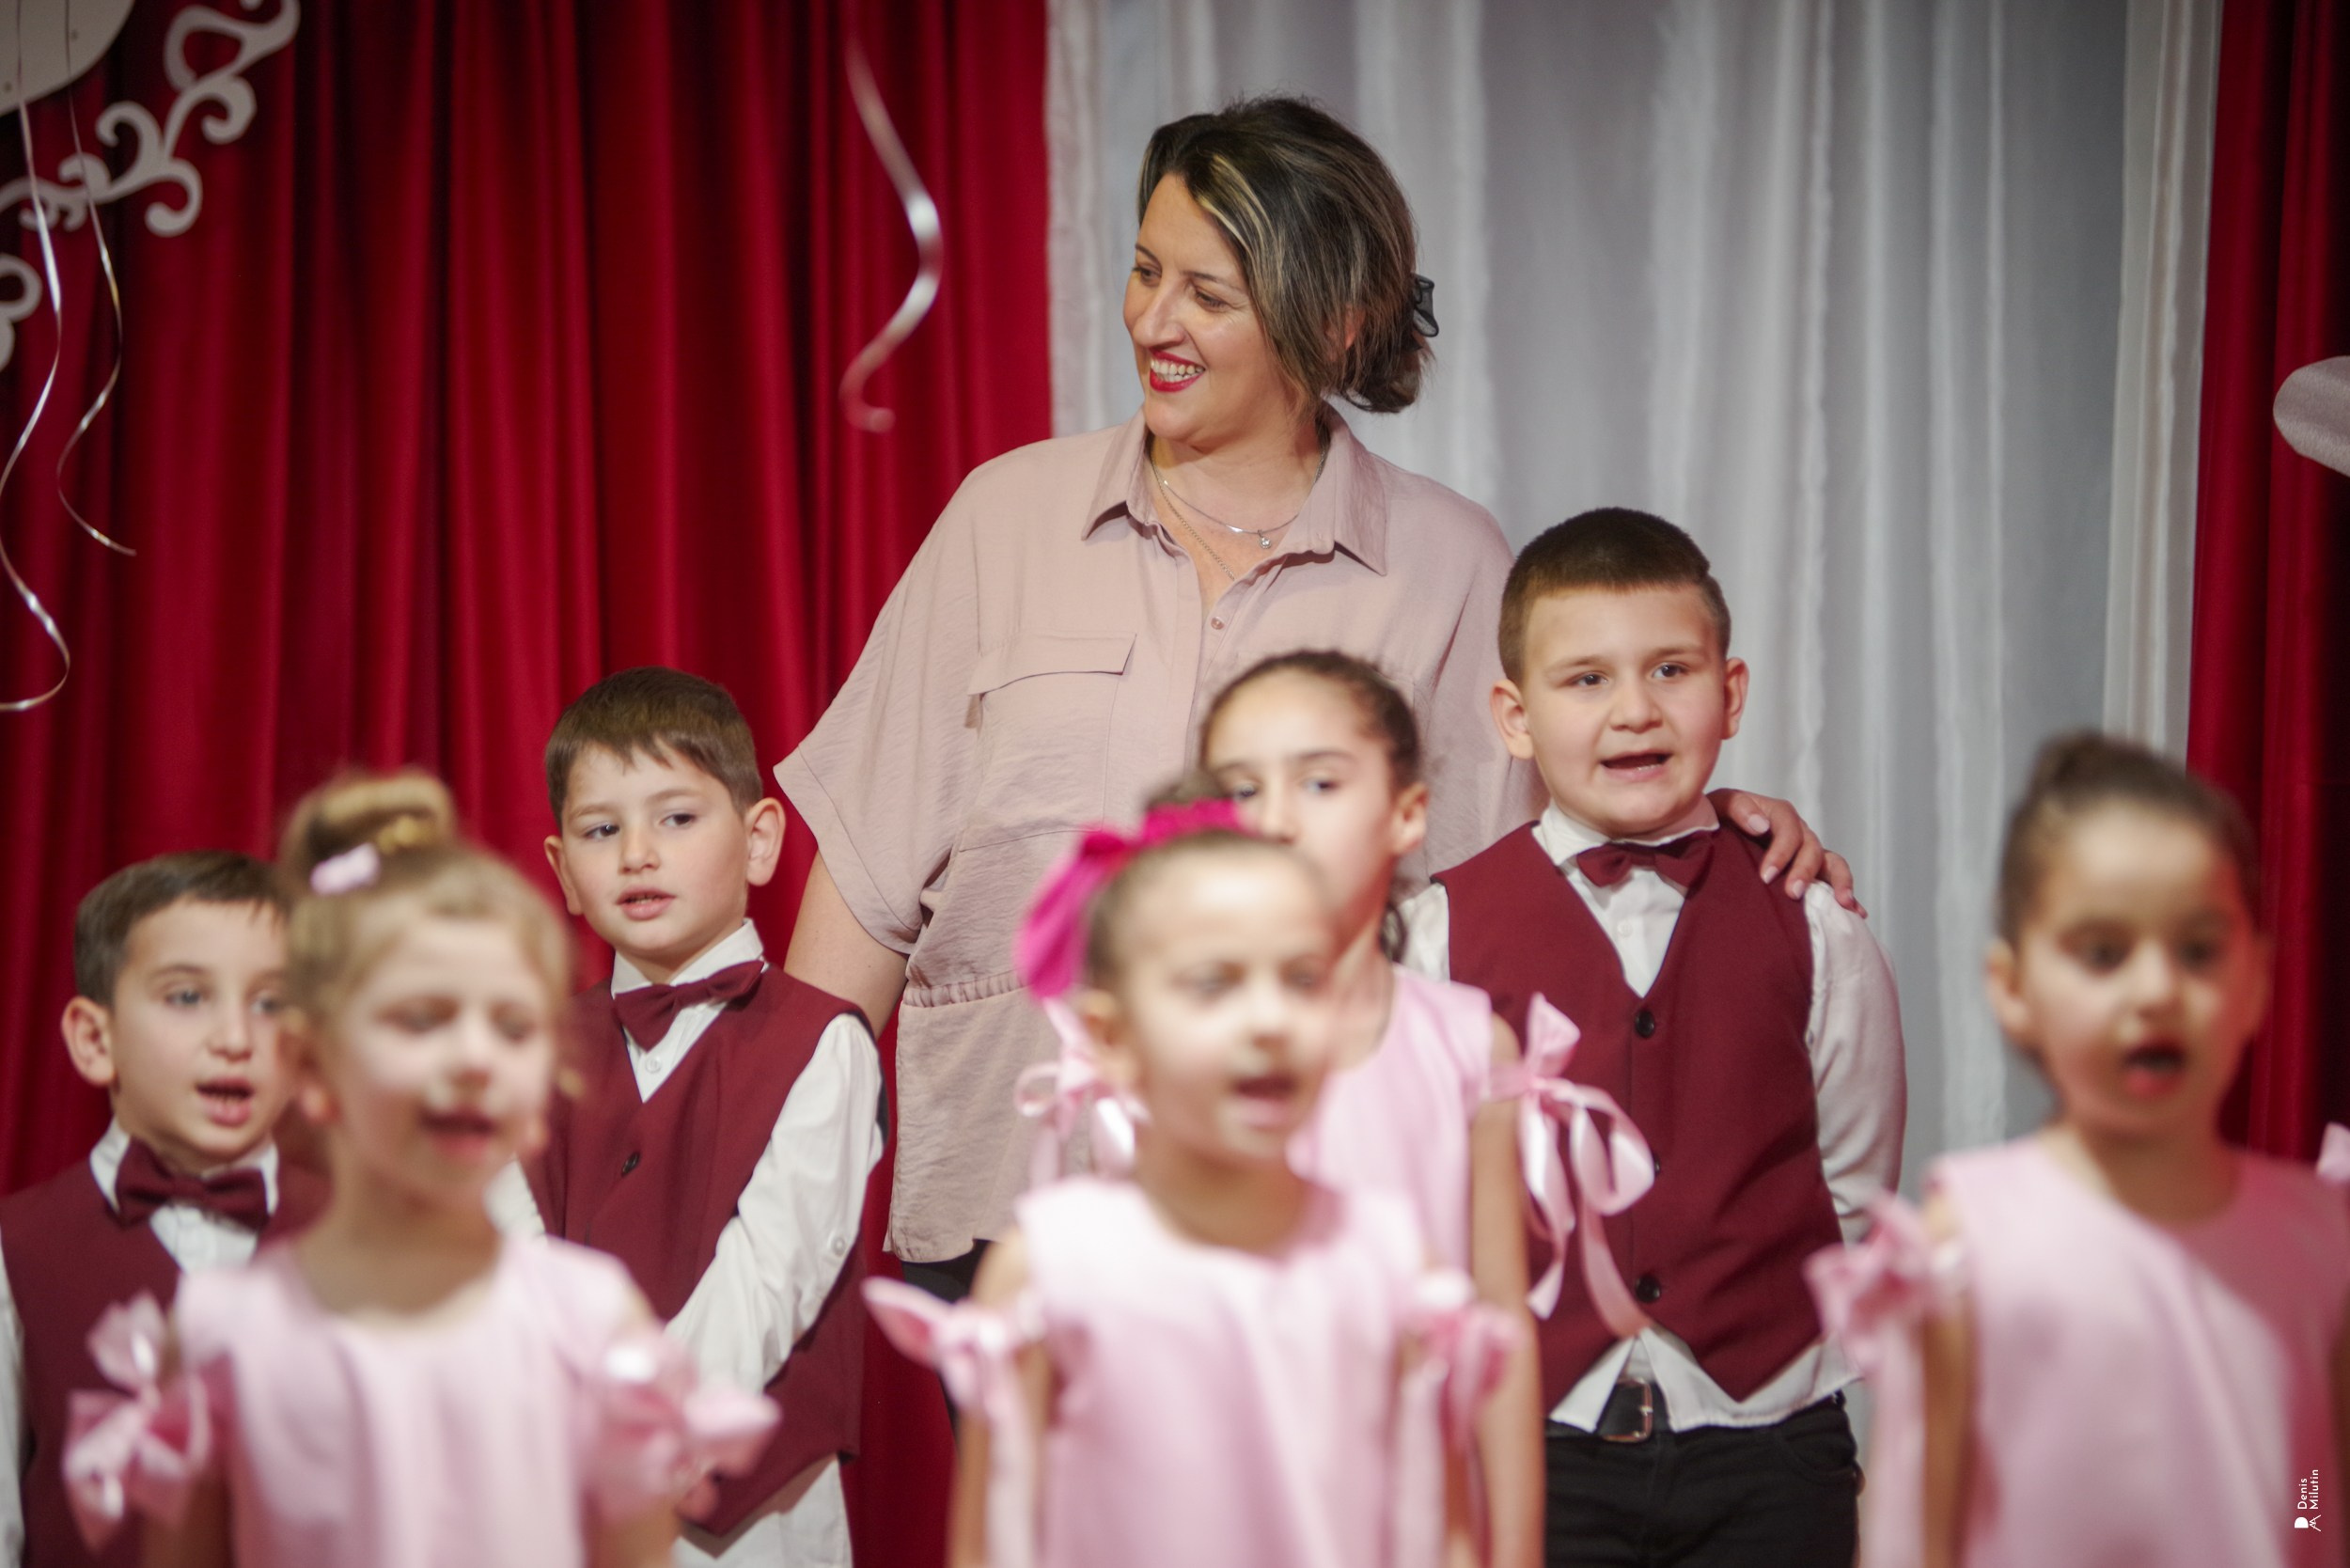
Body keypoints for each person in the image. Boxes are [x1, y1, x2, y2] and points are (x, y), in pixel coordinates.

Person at [775, 93, 1848, 1294]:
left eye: (1208, 295)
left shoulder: (1446, 563)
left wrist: (1710, 826)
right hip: (1015, 1206)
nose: (1153, 321)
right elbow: (867, 880)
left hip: (1327, 1230)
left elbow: (1535, 882)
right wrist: (773, 1178)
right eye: (1143, 272)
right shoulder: (1002, 517)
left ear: (1332, 326)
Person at [62, 772, 774, 1568]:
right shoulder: (222, 1334)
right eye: (422, 1018)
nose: (473, 1059)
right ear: (313, 1065)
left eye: (511, 1025)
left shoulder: (591, 1325)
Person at [1405, 510, 1905, 1567]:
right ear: (1514, 715)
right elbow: (1415, 1198)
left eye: (1670, 670)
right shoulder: (1437, 933)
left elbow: (1852, 1182)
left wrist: (1797, 1365)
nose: (1633, 711)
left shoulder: (1813, 922)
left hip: (1771, 1446)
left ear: (1728, 694)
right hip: (1531, 1445)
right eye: (1584, 680)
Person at [867, 804, 1517, 1568]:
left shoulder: (1396, 1263)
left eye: (1303, 979)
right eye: (1215, 983)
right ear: (1111, 1038)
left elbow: (1440, 1536)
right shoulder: (1049, 1272)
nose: (1269, 1021)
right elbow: (997, 1543)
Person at [1809, 733, 2350, 1568]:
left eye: (2199, 950)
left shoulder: (2320, 1239)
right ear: (2014, 989)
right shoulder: (1970, 1237)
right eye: (2104, 953)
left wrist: (2310, 1536)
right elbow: (1922, 1534)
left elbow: (2318, 1494)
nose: (2156, 991)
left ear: (2256, 983)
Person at [526, 667, 884, 1568]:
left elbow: (769, 1280)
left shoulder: (823, 1043)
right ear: (564, 871)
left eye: (677, 818)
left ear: (760, 840)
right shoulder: (524, 1056)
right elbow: (512, 1274)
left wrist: (637, 1446)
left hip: (760, 1524)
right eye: (602, 830)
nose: (638, 853)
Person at [1192, 651, 1542, 1568]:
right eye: (1240, 789)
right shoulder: (1172, 1060)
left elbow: (1498, 1324)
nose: (1273, 818)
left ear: (1405, 814)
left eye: (1317, 781)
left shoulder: (1469, 1046)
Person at [0, 853, 320, 1568]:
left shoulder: (364, 1240)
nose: (235, 1038)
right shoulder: (17, 1249)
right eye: (186, 997)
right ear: (95, 1039)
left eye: (270, 1002)